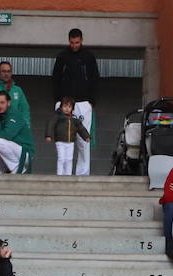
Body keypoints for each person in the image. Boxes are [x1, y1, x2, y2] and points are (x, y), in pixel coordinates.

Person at [50, 29, 98, 175]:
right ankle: (63, 174)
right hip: (65, 103)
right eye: (72, 42)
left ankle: (82, 174)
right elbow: (55, 78)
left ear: (81, 40)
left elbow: (95, 79)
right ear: (68, 41)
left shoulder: (89, 56)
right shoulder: (62, 56)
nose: (74, 45)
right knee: (64, 138)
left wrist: (91, 102)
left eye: (77, 42)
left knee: (84, 140)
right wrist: (57, 101)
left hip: (84, 103)